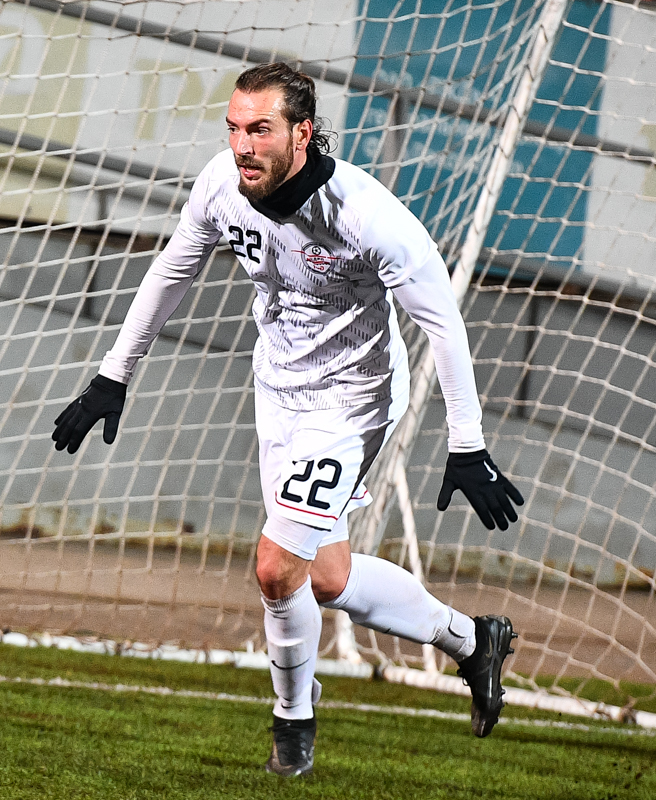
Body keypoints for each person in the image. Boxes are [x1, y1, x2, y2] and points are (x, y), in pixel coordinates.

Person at [51, 62, 523, 777]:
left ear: (302, 133)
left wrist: (468, 444)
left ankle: (293, 723)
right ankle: (472, 640)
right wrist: (113, 376)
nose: (243, 146)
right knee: (325, 577)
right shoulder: (221, 186)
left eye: (261, 130)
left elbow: (443, 325)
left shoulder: (367, 216)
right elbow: (172, 272)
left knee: (275, 569)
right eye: (234, 129)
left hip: (352, 400)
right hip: (276, 391)